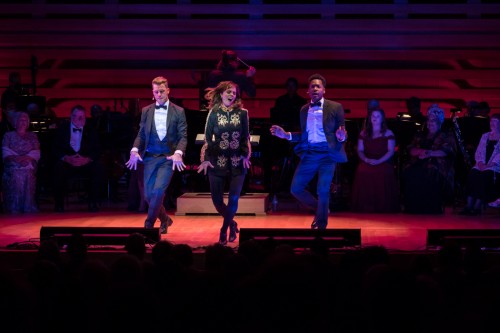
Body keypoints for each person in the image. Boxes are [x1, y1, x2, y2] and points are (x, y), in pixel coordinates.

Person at [270, 73, 348, 230]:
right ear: (308, 91)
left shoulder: (335, 107)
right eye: (312, 86)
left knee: (323, 189)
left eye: (318, 86)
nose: (315, 88)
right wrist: (286, 135)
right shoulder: (304, 110)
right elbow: (304, 136)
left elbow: (342, 133)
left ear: (324, 90)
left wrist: (341, 137)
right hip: (310, 153)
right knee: (296, 188)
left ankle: (321, 225)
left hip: (327, 153)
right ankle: (322, 209)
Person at [125, 76, 187, 234]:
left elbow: (183, 136)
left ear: (168, 90)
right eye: (156, 91)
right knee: (148, 196)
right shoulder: (146, 111)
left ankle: (148, 226)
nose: (159, 94)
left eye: (161, 91)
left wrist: (179, 153)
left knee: (158, 192)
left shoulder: (178, 111)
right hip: (150, 157)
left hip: (168, 158)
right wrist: (134, 150)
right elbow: (141, 135)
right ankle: (165, 219)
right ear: (152, 92)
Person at [197, 81, 251, 245]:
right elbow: (207, 138)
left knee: (233, 199)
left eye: (234, 92)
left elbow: (245, 137)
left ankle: (223, 230)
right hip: (217, 160)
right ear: (221, 94)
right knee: (217, 200)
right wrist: (205, 159)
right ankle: (232, 224)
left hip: (237, 161)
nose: (231, 95)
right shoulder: (213, 112)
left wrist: (245, 155)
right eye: (228, 92)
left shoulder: (243, 113)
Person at [402, 104, 456, 214]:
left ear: (439, 123)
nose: (430, 123)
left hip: (437, 162)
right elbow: (410, 148)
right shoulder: (420, 134)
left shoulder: (446, 135)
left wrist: (429, 153)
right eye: (429, 120)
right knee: (410, 172)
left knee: (429, 172)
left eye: (434, 121)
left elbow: (445, 151)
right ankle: (413, 207)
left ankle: (431, 207)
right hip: (418, 160)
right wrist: (420, 152)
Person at [52, 104, 104, 212]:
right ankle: (59, 204)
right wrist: (66, 158)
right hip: (68, 162)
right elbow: (55, 148)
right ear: (71, 116)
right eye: (77, 116)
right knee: (57, 168)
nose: (79, 119)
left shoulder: (91, 129)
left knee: (97, 168)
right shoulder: (63, 128)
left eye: (82, 117)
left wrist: (87, 159)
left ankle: (93, 203)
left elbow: (98, 149)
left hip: (84, 162)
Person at [350, 108, 400, 213]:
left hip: (383, 161)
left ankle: (382, 206)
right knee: (362, 170)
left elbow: (390, 151)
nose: (375, 118)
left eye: (377, 116)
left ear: (382, 119)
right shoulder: (364, 133)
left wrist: (379, 161)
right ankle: (365, 205)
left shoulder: (388, 133)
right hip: (368, 160)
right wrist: (365, 159)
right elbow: (360, 150)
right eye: (373, 116)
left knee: (383, 171)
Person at [460, 113, 500, 215]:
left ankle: (477, 206)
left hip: (494, 166)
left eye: (495, 122)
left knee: (485, 176)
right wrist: (481, 162)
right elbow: (479, 151)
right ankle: (469, 205)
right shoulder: (485, 136)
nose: (492, 124)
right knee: (473, 173)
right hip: (482, 164)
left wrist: (489, 165)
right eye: (491, 122)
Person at [2, 111, 40, 213]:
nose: (23, 122)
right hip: (13, 163)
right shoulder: (8, 135)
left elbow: (36, 152)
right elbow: (5, 152)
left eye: (25, 120)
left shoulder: (32, 136)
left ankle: (28, 206)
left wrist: (26, 158)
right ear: (15, 122)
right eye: (20, 120)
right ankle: (14, 206)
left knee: (28, 172)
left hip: (28, 163)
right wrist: (18, 160)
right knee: (16, 173)